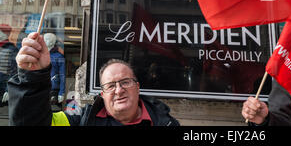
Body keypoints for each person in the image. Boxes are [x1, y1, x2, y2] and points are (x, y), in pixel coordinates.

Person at [8, 32, 180, 126]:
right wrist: (32, 77)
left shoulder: (166, 123)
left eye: (125, 82)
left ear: (137, 87)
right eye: (111, 86)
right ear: (102, 94)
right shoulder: (81, 120)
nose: (119, 90)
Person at [43, 33, 66, 106]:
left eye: (47, 39)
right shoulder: (40, 55)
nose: (45, 41)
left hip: (54, 89)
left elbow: (62, 75)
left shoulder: (59, 56)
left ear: (52, 41)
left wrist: (61, 92)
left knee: (54, 113)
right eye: (44, 39)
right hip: (41, 88)